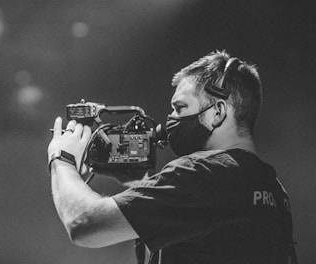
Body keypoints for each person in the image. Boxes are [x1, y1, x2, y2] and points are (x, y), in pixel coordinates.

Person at [48, 50, 295, 264]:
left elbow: (84, 224)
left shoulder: (202, 174)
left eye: (180, 108)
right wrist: (138, 186)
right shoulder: (272, 188)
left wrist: (62, 158)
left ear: (217, 111)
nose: (170, 120)